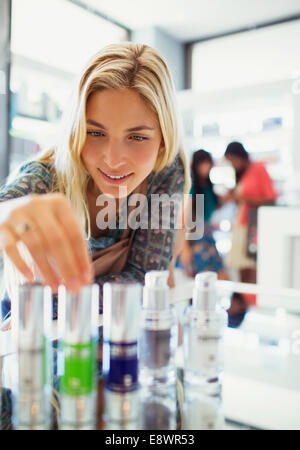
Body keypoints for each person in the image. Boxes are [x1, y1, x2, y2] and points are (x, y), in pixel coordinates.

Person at [0, 42, 189, 323]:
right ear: (75, 129)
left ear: (163, 139)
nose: (113, 160)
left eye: (137, 137)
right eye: (95, 133)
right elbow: (9, 204)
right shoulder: (46, 179)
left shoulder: (165, 171)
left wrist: (50, 307)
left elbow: (146, 277)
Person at [224, 141, 277, 286]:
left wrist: (243, 199)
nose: (233, 165)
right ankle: (246, 302)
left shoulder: (259, 169)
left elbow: (271, 200)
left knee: (252, 269)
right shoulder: (243, 174)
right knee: (242, 270)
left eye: (233, 160)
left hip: (253, 226)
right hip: (241, 224)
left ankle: (252, 302)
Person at [177, 149, 227, 279]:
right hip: (195, 237)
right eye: (203, 163)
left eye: (208, 163)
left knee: (214, 277)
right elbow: (185, 217)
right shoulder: (192, 186)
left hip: (207, 236)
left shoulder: (208, 185)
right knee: (198, 279)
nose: (206, 167)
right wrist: (185, 247)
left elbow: (212, 207)